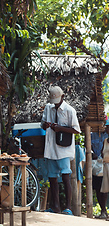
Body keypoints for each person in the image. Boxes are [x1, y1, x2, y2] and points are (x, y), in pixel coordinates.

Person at [41, 86, 80, 215]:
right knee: (52, 178)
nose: (55, 104)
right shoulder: (48, 108)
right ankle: (56, 206)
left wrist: (61, 128)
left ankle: (68, 208)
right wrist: (45, 125)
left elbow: (76, 130)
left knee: (65, 176)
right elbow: (42, 124)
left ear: (62, 97)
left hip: (64, 149)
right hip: (51, 147)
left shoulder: (70, 110)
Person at [95, 121, 109, 219]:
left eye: (108, 127)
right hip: (105, 167)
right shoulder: (106, 140)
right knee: (103, 190)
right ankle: (104, 211)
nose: (106, 129)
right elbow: (102, 153)